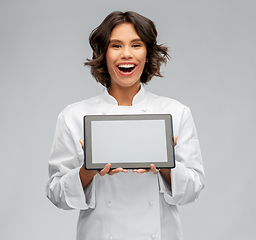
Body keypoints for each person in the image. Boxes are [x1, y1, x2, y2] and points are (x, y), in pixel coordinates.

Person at [46, 11, 205, 240]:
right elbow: (56, 194)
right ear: (103, 54)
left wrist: (166, 163)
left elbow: (193, 189)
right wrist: (87, 171)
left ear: (148, 54)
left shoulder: (176, 113)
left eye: (136, 45)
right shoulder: (74, 116)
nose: (127, 54)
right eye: (116, 46)